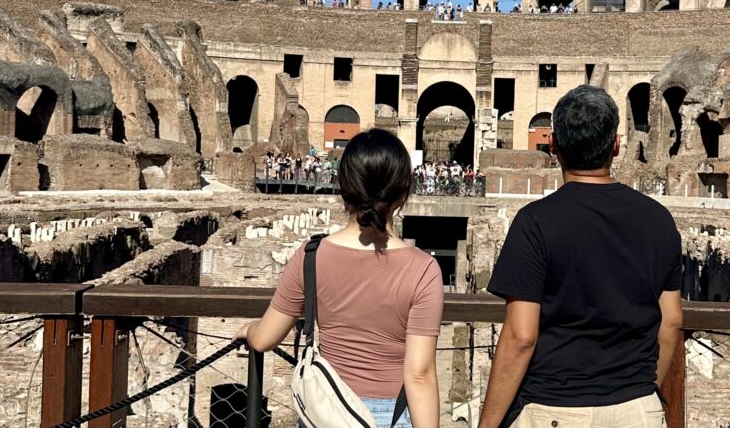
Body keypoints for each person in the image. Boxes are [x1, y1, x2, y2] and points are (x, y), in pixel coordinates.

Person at [477, 85, 683, 428]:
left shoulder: (535, 223)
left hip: (554, 408)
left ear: (553, 146)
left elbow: (521, 336)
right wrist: (642, 390)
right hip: (636, 408)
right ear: (616, 146)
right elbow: (672, 320)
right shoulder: (658, 219)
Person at [236, 129, 442, 428]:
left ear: (344, 187)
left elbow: (265, 338)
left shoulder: (311, 256)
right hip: (391, 416)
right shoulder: (423, 269)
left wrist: (250, 329)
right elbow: (419, 375)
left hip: (326, 409)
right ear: (402, 194)